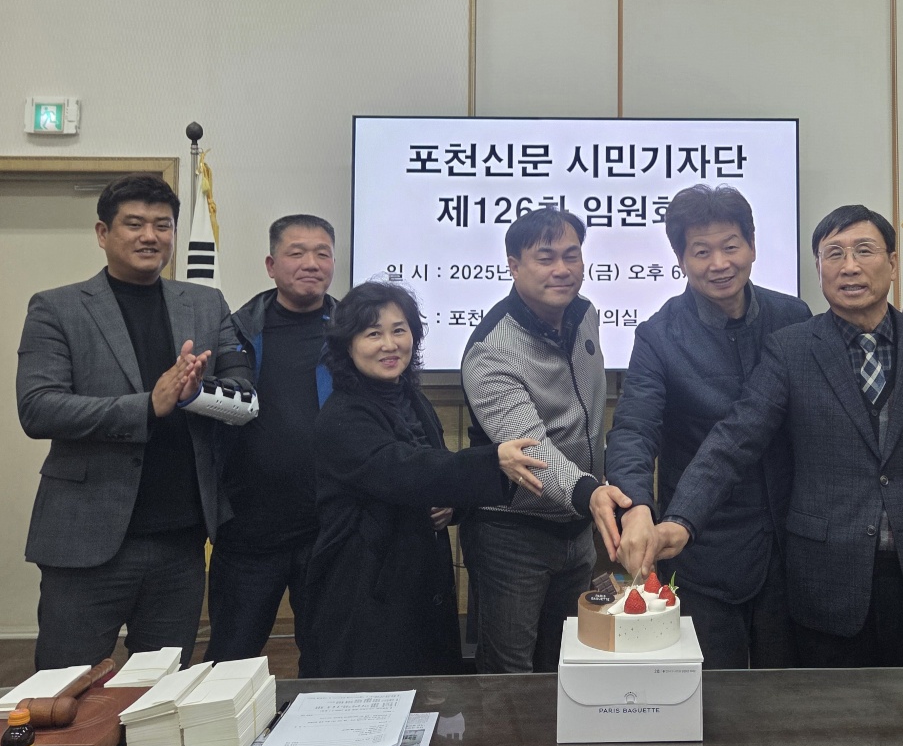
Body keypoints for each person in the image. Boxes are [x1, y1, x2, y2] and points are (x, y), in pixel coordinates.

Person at [607, 204, 903, 668]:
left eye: (864, 251)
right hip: (742, 554)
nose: (850, 267)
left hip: (894, 568)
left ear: (894, 263)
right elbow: (729, 440)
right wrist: (669, 516)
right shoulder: (778, 344)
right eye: (835, 254)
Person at [16, 174, 247, 669]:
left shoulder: (205, 304)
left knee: (160, 691)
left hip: (181, 538)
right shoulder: (57, 307)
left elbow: (243, 395)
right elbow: (38, 407)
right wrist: (147, 405)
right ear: (103, 233)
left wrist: (195, 395)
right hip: (86, 538)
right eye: (134, 224)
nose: (150, 236)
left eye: (163, 225)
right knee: (65, 686)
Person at [603, 185, 810, 669]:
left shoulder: (793, 318)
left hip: (794, 545)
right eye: (701, 251)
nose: (719, 263)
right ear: (680, 259)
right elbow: (634, 428)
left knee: (795, 694)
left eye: (731, 246)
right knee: (715, 695)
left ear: (752, 246)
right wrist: (636, 507)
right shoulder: (659, 335)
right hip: (705, 547)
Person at [300, 281, 547, 677]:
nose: (390, 344)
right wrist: (492, 460)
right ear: (347, 345)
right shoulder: (342, 415)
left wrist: (452, 505)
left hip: (419, 582)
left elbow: (435, 469)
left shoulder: (411, 398)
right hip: (366, 588)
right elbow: (402, 469)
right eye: (373, 334)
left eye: (399, 330)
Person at [461, 207, 632, 673]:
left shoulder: (585, 314)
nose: (562, 269)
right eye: (545, 257)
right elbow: (530, 451)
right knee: (510, 673)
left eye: (571, 255)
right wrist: (589, 492)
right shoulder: (491, 351)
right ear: (514, 265)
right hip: (511, 536)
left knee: (567, 661)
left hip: (577, 528)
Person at [206, 215, 337, 665]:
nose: (311, 263)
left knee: (328, 658)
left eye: (322, 253)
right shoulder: (235, 331)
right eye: (296, 253)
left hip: (328, 528)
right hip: (249, 529)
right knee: (230, 658)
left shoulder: (354, 332)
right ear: (271, 265)